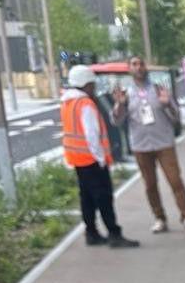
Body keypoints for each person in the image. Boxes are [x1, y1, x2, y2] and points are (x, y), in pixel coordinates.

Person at [110, 55, 185, 235]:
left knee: (175, 180)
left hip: (164, 143)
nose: (139, 67)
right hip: (141, 146)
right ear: (129, 69)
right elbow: (117, 121)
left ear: (146, 67)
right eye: (134, 64)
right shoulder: (126, 94)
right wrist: (119, 105)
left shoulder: (159, 90)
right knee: (150, 185)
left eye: (141, 64)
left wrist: (167, 105)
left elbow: (176, 118)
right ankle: (160, 218)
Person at [59, 65, 138, 249]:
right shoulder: (85, 104)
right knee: (104, 198)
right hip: (92, 160)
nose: (94, 88)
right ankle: (114, 234)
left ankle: (91, 232)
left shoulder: (67, 102)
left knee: (86, 198)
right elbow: (92, 134)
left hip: (77, 159)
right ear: (86, 84)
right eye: (92, 84)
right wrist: (101, 158)